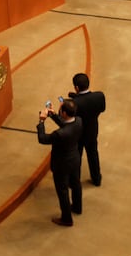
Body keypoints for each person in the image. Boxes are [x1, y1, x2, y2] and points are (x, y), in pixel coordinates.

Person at [38, 99, 83, 227]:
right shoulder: (78, 121)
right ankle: (77, 207)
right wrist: (53, 115)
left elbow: (42, 139)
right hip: (75, 159)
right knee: (76, 184)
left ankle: (66, 219)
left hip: (62, 164)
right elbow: (66, 124)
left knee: (62, 191)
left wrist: (41, 121)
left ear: (64, 113)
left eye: (60, 109)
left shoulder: (59, 134)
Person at [67, 73, 106, 186]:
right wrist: (76, 96)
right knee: (93, 154)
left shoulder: (74, 103)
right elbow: (101, 108)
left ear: (76, 87)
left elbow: (69, 118)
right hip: (92, 131)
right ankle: (96, 179)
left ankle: (74, 182)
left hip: (78, 135)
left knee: (77, 157)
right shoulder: (99, 96)